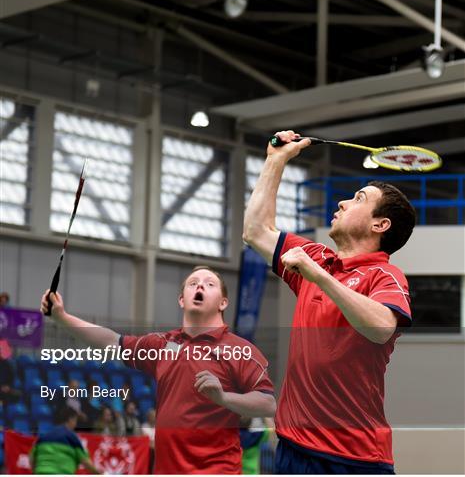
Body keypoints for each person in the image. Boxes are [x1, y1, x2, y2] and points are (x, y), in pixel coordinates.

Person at [243, 130, 416, 475]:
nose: (342, 202)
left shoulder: (386, 276)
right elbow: (255, 231)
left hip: (354, 456)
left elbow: (381, 328)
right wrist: (275, 161)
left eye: (358, 199)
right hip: (294, 448)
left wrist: (320, 278)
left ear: (380, 224)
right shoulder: (315, 258)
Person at [41, 265, 275, 474]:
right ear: (182, 299)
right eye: (193, 283)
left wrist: (224, 398)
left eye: (209, 284)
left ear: (223, 302)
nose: (199, 285)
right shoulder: (161, 345)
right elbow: (113, 342)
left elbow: (267, 403)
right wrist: (62, 318)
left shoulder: (240, 350)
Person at [29, 406, 101, 474]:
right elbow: (85, 462)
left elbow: (32, 459)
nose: (75, 424)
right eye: (75, 420)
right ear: (70, 419)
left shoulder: (43, 437)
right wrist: (99, 473)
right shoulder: (71, 437)